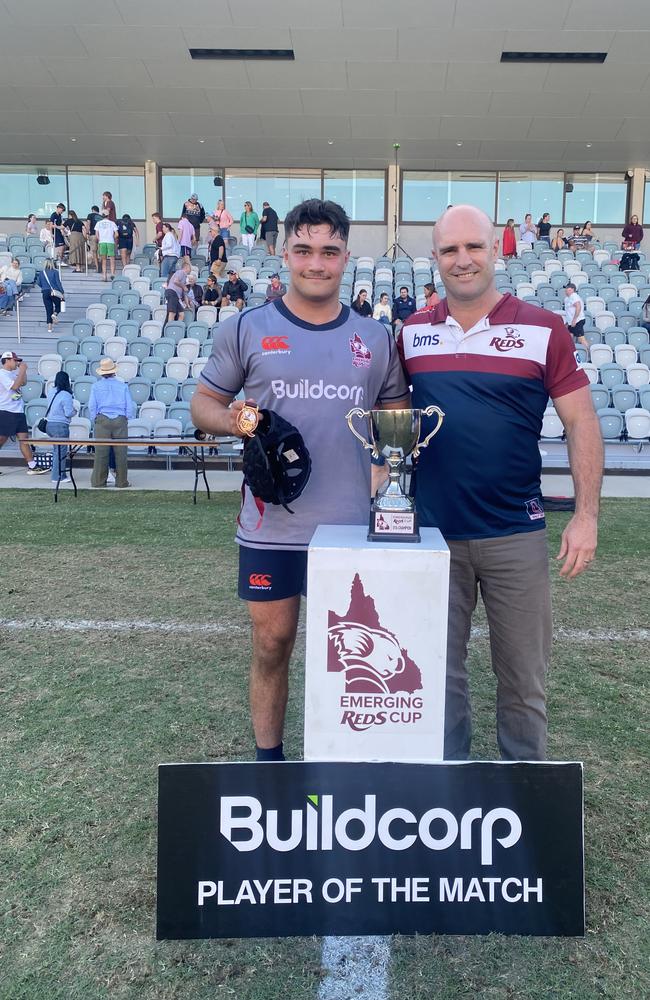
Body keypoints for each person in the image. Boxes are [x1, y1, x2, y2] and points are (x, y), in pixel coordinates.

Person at [191, 197, 409, 761]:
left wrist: (390, 477)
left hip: (351, 528)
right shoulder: (246, 328)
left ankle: (344, 759)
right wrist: (237, 419)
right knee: (272, 643)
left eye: (330, 252)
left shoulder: (375, 338)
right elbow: (203, 406)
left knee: (352, 652)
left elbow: (396, 420)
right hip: (272, 526)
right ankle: (270, 765)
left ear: (345, 257)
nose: (317, 263)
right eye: (305, 250)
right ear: (285, 252)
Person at [398, 205, 603, 762]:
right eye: (449, 250)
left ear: (495, 249)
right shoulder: (412, 335)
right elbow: (386, 425)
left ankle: (526, 797)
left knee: (523, 682)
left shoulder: (545, 328)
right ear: (435, 258)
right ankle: (447, 797)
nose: (462, 260)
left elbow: (582, 421)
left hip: (516, 533)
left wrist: (585, 517)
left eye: (474, 247)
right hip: (433, 537)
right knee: (436, 679)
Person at [88, 358, 135, 488]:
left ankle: (98, 481)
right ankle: (121, 481)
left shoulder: (96, 386)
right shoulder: (122, 386)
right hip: (119, 418)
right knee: (121, 452)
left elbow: (92, 405)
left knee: (101, 452)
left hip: (102, 418)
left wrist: (95, 418)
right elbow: (129, 405)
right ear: (114, 371)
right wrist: (127, 417)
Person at [0, 351, 47, 474]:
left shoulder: (13, 373)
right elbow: (15, 387)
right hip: (6, 411)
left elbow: (23, 383)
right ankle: (32, 465)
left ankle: (32, 466)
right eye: (15, 360)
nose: (17, 363)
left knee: (24, 439)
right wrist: (21, 370)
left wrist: (23, 371)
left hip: (18, 410)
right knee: (1, 439)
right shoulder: (2, 374)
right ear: (7, 360)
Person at [45, 370, 75, 485]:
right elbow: (68, 413)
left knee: (56, 450)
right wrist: (75, 411)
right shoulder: (67, 395)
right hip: (60, 425)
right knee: (60, 452)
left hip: (49, 424)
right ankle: (58, 476)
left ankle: (59, 474)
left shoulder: (51, 391)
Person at [37, 260, 65, 332]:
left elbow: (38, 283)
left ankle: (49, 327)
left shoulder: (41, 273)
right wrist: (62, 292)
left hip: (45, 292)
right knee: (58, 305)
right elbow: (58, 283)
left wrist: (44, 287)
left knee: (48, 309)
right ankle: (55, 314)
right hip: (54, 291)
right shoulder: (55, 272)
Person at [165, 258, 192, 322]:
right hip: (172, 292)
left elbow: (184, 293)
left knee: (181, 314)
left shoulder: (185, 278)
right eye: (189, 268)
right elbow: (175, 281)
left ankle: (177, 327)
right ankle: (170, 328)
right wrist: (183, 286)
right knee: (172, 313)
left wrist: (187, 304)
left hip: (177, 296)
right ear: (186, 268)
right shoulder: (181, 272)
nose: (190, 270)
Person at [95, 210, 118, 281]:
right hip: (110, 242)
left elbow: (96, 235)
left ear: (102, 215)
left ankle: (104, 276)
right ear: (108, 215)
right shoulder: (112, 223)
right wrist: (112, 238)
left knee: (104, 260)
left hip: (102, 242)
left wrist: (100, 240)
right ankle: (112, 274)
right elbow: (117, 234)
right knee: (112, 259)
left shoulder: (98, 223)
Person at [564, 283, 588, 348]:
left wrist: (574, 320)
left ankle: (588, 354)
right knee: (569, 337)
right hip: (571, 322)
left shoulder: (574, 296)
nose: (566, 290)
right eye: (565, 288)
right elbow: (569, 311)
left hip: (577, 321)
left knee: (581, 339)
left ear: (572, 289)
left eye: (567, 288)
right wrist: (567, 322)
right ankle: (571, 353)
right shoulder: (567, 298)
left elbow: (578, 307)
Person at [86, 205, 103, 271]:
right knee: (101, 251)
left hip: (93, 235)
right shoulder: (101, 217)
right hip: (101, 236)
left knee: (94, 251)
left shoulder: (90, 215)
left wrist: (87, 233)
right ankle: (101, 263)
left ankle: (97, 267)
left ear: (92, 210)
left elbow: (88, 224)